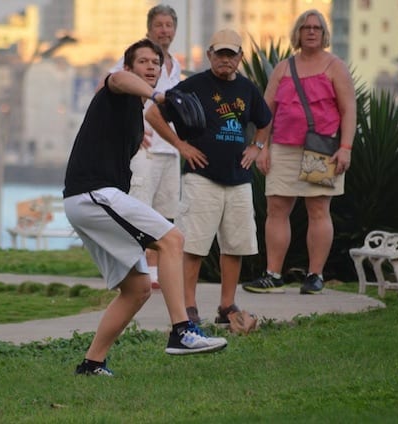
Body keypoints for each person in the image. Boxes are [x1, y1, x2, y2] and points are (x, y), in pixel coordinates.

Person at [64, 38, 228, 377]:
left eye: (156, 62)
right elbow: (118, 80)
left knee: (137, 289)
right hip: (92, 195)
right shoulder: (116, 87)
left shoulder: (135, 116)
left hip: (92, 200)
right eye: (143, 62)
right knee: (173, 240)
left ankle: (92, 363)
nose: (151, 66)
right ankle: (182, 331)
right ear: (129, 67)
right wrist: (156, 95)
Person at [145, 29, 272, 329]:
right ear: (210, 55)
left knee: (235, 245)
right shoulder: (193, 86)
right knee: (194, 246)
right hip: (201, 178)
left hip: (239, 179)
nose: (225, 60)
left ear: (241, 57)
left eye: (231, 54)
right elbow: (153, 114)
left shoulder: (248, 89)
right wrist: (181, 146)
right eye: (220, 54)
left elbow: (265, 121)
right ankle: (189, 305)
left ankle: (226, 304)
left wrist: (257, 147)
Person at [242, 9, 356, 295]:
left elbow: (348, 110)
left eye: (317, 27)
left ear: (324, 33)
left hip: (321, 146)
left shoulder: (335, 66)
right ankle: (273, 274)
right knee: (276, 210)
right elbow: (266, 112)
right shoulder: (283, 68)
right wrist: (262, 147)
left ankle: (315, 276)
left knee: (318, 209)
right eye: (306, 27)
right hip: (282, 146)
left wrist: (345, 148)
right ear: (298, 33)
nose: (311, 32)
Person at [104, 4, 182, 289]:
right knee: (140, 209)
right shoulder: (137, 58)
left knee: (164, 212)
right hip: (144, 149)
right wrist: (133, 127)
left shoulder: (175, 64)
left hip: (170, 149)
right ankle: (135, 271)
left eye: (169, 25)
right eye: (159, 25)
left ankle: (154, 271)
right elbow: (112, 89)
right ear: (149, 28)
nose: (164, 30)